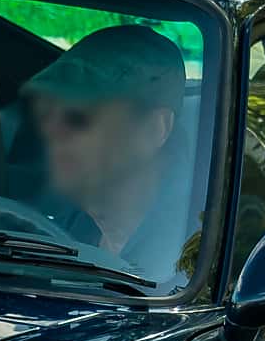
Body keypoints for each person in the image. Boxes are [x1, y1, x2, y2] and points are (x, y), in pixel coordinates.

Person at [11, 24, 199, 278]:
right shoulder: (57, 225)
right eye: (48, 117)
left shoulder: (196, 259)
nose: (55, 134)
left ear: (154, 130)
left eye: (79, 118)